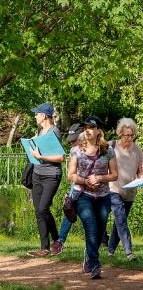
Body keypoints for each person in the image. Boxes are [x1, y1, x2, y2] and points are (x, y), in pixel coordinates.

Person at [67, 116, 118, 279]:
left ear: (98, 131)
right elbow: (70, 175)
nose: (87, 130)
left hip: (103, 196)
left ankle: (89, 257)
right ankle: (96, 265)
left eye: (91, 127)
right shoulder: (76, 150)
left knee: (100, 230)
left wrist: (100, 178)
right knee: (91, 227)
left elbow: (115, 175)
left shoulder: (108, 150)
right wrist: (85, 181)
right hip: (84, 195)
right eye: (85, 128)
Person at [27, 103, 65, 257]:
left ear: (44, 116)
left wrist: (41, 157)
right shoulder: (40, 131)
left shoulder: (54, 132)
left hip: (51, 175)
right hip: (37, 174)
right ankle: (44, 247)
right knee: (38, 211)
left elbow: (61, 157)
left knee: (43, 208)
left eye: (37, 114)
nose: (35, 116)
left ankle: (57, 240)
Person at [107, 118, 143, 261]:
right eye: (125, 135)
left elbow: (139, 171)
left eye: (131, 135)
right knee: (120, 218)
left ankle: (110, 251)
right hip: (114, 188)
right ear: (120, 134)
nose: (128, 138)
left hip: (130, 190)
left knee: (119, 222)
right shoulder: (112, 147)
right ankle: (129, 252)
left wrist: (142, 178)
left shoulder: (137, 150)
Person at [51, 124, 85, 255]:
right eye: (70, 141)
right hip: (77, 186)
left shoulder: (96, 148)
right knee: (69, 210)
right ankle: (60, 240)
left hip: (93, 187)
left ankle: (103, 238)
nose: (72, 143)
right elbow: (71, 173)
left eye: (74, 140)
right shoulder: (73, 151)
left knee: (90, 214)